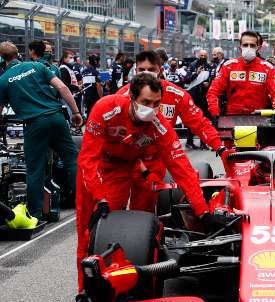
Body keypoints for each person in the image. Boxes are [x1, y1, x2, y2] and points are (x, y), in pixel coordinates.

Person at [76, 73, 227, 289]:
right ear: (131, 96)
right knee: (90, 233)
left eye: (157, 103)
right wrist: (99, 197)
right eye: (146, 102)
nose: (152, 108)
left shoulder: (159, 125)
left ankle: (125, 282)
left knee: (135, 227)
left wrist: (202, 211)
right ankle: (85, 289)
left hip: (131, 166)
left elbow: (181, 167)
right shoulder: (105, 108)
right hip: (99, 168)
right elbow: (87, 159)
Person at [0, 41, 81, 220]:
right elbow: (63, 88)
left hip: (35, 125)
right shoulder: (37, 66)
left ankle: (35, 215)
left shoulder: (2, 81)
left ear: (0, 59)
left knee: (35, 170)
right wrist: (76, 112)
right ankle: (84, 202)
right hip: (57, 118)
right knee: (72, 161)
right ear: (18, 54)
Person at [117, 50, 222, 154]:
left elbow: (200, 124)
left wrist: (220, 147)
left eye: (151, 69)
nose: (146, 73)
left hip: (161, 156)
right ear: (136, 71)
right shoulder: (122, 96)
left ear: (160, 70)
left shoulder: (177, 94)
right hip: (129, 157)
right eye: (141, 70)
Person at [206, 31, 275, 116]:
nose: (248, 47)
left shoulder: (268, 68)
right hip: (232, 118)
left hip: (259, 118)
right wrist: (215, 113)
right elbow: (213, 91)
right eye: (245, 45)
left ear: (258, 48)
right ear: (240, 47)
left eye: (252, 45)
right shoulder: (229, 66)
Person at [183, 49, 215, 149]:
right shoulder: (192, 65)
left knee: (203, 119)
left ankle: (203, 142)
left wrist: (208, 84)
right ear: (198, 55)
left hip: (204, 97)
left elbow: (212, 80)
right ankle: (189, 141)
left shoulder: (209, 67)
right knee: (192, 119)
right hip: (193, 96)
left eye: (205, 56)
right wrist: (196, 73)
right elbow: (186, 80)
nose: (203, 57)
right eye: (201, 55)